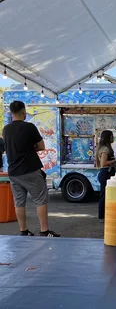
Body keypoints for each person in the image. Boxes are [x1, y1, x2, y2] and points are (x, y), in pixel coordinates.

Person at [2, 100, 60, 236]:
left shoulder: (6, 129)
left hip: (13, 172)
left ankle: (23, 231)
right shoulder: (29, 127)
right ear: (23, 112)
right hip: (30, 169)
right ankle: (44, 231)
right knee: (40, 199)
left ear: (11, 113)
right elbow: (41, 146)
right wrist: (30, 148)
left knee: (19, 202)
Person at [96, 130, 116, 223]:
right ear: (109, 137)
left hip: (106, 173)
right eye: (112, 136)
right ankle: (102, 216)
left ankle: (104, 215)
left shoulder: (104, 148)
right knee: (104, 196)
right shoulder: (105, 149)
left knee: (106, 195)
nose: (113, 138)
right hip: (106, 173)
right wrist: (114, 161)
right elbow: (103, 163)